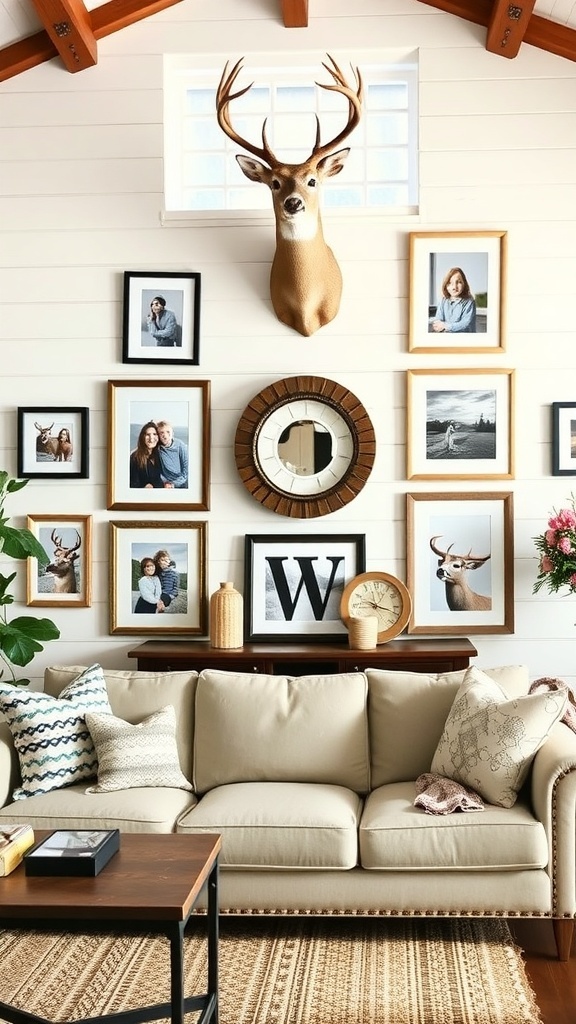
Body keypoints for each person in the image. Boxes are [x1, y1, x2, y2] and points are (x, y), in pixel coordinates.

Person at [429, 267, 476, 333]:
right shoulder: (443, 300)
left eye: (459, 282)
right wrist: (438, 325)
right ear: (446, 286)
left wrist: (445, 326)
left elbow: (465, 324)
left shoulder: (469, 302)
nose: (454, 287)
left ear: (464, 283)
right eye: (450, 283)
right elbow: (439, 319)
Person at [129, 421, 163, 488]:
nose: (151, 438)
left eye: (154, 434)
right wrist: (144, 486)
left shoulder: (160, 454)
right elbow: (132, 483)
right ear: (142, 437)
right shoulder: (135, 457)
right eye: (148, 434)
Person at [157, 420, 189, 489]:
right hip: (165, 483)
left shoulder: (180, 445)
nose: (165, 436)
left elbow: (186, 471)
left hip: (181, 482)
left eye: (168, 432)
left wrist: (173, 484)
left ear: (173, 433)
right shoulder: (158, 448)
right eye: (161, 433)